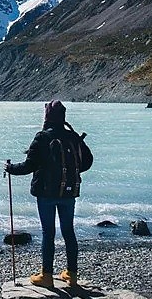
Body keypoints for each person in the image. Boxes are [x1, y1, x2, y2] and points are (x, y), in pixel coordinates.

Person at [5, 100, 93, 288]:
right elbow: (86, 162)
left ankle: (47, 276)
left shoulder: (42, 137)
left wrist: (10, 168)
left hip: (46, 193)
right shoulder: (72, 136)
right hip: (68, 192)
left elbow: (29, 166)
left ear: (47, 117)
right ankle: (72, 274)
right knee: (68, 231)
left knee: (48, 232)